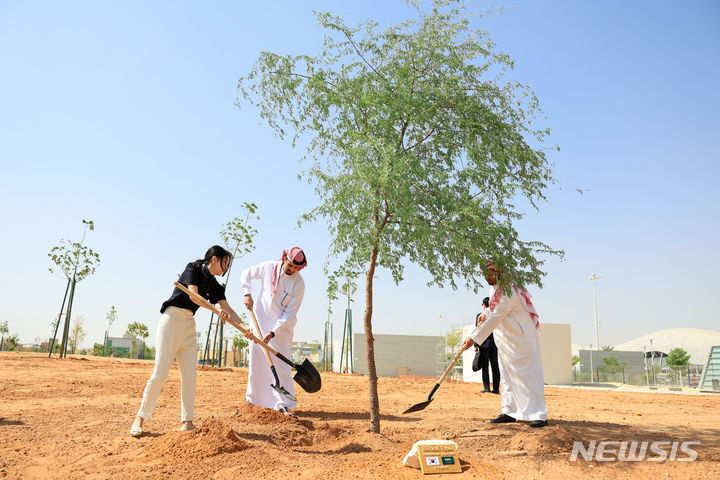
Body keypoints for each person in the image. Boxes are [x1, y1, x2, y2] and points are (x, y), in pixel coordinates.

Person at [130, 245, 245, 437]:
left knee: (190, 374)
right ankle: (140, 418)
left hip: (188, 324)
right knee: (160, 373)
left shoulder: (216, 286)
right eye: (225, 262)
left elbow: (229, 311)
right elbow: (194, 295)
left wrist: (246, 329)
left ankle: (187, 421)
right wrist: (217, 311)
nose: (226, 267)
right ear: (214, 259)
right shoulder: (193, 268)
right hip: (172, 319)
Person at [462, 260, 548, 428]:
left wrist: (473, 337)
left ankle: (538, 414)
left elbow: (498, 315)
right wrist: (485, 312)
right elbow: (494, 308)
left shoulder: (510, 291)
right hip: (506, 340)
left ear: (499, 272)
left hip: (521, 339)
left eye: (490, 274)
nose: (487, 278)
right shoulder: (494, 287)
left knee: (528, 375)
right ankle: (509, 411)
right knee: (507, 375)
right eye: (485, 275)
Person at [240, 247, 307, 417]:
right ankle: (254, 400)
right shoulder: (269, 267)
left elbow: (290, 313)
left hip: (281, 330)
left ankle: (283, 403)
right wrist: (247, 293)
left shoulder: (299, 284)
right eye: (290, 265)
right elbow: (245, 274)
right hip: (259, 321)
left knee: (281, 365)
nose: (292, 270)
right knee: (256, 362)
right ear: (284, 258)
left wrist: (273, 332)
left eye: (296, 268)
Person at [476, 297, 500, 394]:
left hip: (484, 344)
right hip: (495, 344)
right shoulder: (496, 316)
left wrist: (475, 345)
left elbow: (477, 330)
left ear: (484, 305)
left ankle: (486, 387)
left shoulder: (479, 315)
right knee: (495, 366)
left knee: (485, 367)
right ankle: (496, 389)